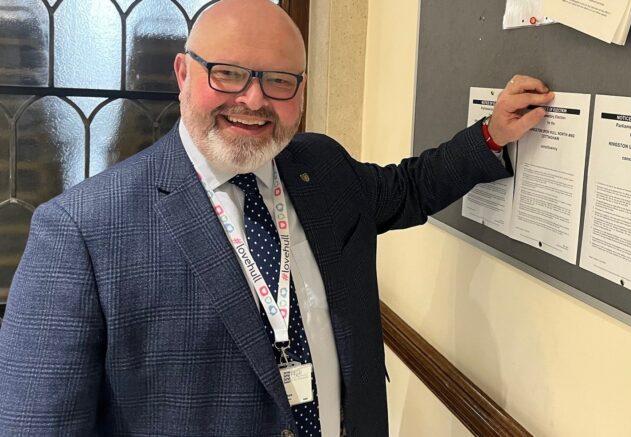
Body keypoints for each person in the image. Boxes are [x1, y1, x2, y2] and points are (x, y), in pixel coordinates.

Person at [0, 0, 554, 435]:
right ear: (183, 74)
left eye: (279, 81)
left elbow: (407, 188)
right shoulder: (79, 232)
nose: (254, 100)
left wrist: (492, 134)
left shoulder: (323, 168)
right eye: (228, 73)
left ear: (302, 88)